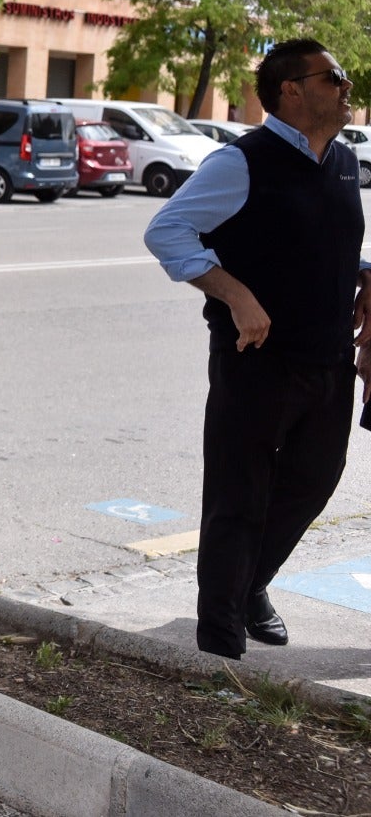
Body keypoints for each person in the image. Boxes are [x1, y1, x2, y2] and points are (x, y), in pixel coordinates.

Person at [144, 37, 371, 660]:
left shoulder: (344, 160)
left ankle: (251, 586)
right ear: (292, 90)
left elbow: (320, 241)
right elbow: (167, 230)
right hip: (258, 361)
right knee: (238, 496)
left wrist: (365, 272)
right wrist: (234, 292)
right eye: (334, 77)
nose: (346, 86)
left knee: (315, 481)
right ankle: (218, 645)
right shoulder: (242, 161)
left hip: (329, 358)